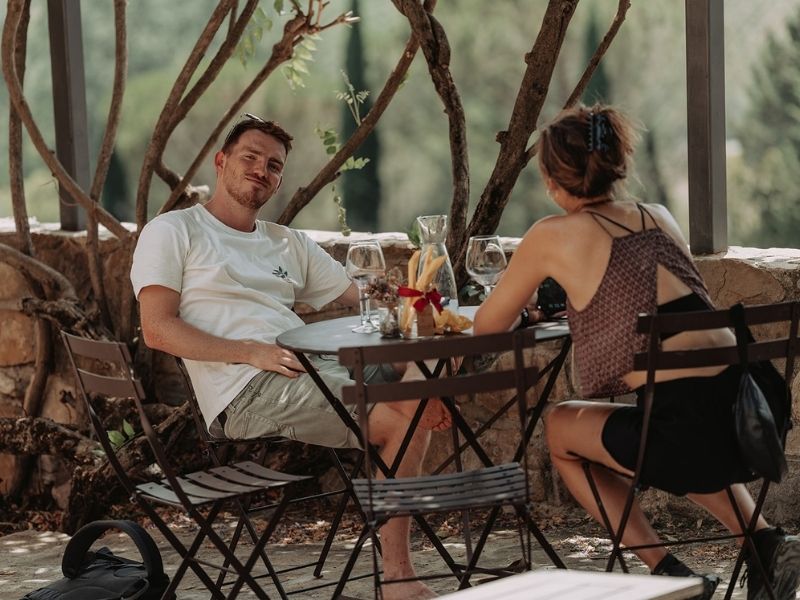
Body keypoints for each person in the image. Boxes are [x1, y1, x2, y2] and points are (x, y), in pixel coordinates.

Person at [473, 104, 800, 600]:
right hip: (750, 413)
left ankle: (667, 571)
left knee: (561, 428)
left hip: (687, 434)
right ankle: (766, 546)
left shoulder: (550, 235)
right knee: (679, 427)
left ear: (552, 180)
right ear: (614, 162)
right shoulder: (657, 216)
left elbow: (487, 326)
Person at [130, 114, 449, 600]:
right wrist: (249, 352)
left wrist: (427, 295)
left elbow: (364, 294)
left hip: (313, 366)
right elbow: (157, 329)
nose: (262, 170)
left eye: (274, 165)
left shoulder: (286, 242)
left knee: (439, 351)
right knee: (403, 422)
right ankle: (399, 578)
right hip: (245, 388)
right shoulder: (174, 230)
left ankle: (420, 395)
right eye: (250, 157)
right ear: (221, 161)